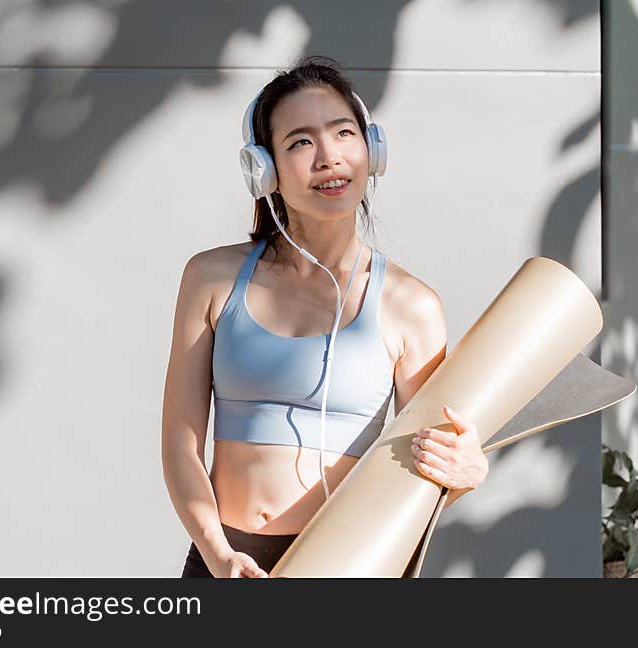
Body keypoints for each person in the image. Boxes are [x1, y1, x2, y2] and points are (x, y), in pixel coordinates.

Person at [161, 56, 489, 578]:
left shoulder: (412, 306)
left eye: (343, 133)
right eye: (300, 142)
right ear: (263, 168)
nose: (328, 157)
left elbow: (424, 475)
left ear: (371, 151)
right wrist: (217, 554)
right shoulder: (211, 277)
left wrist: (465, 473)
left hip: (353, 565)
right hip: (227, 563)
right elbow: (179, 444)